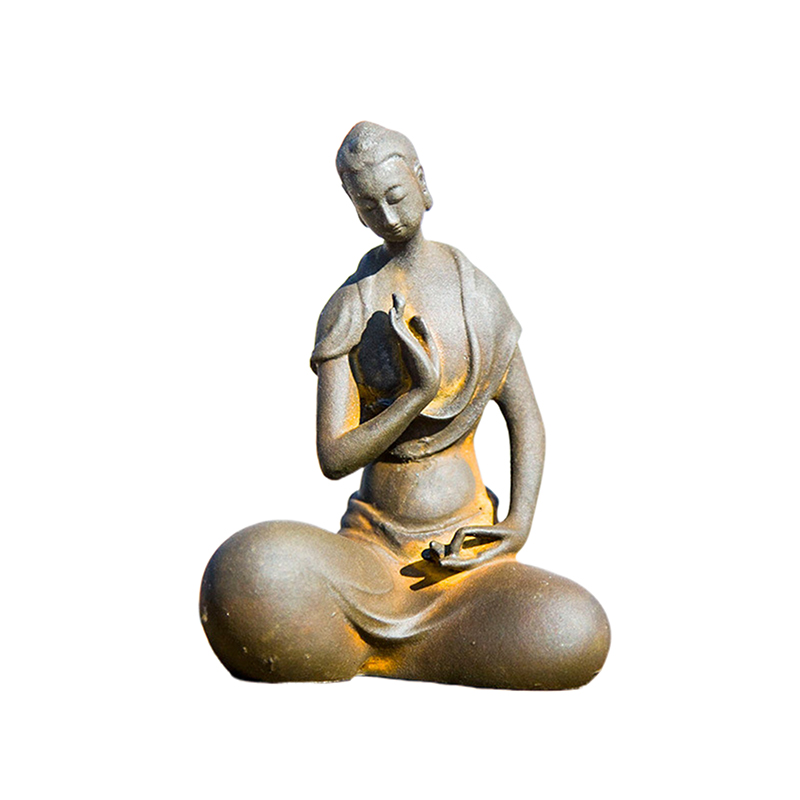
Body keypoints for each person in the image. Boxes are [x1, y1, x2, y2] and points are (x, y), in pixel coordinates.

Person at [200, 122, 610, 689]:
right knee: (248, 570)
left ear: (421, 182)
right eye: (370, 206)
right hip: (369, 556)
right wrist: (415, 397)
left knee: (573, 628)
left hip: (462, 560)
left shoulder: (474, 294)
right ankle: (413, 648)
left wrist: (518, 524)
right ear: (356, 212)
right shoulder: (350, 306)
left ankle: (375, 650)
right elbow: (333, 457)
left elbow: (527, 421)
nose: (388, 216)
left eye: (395, 195)